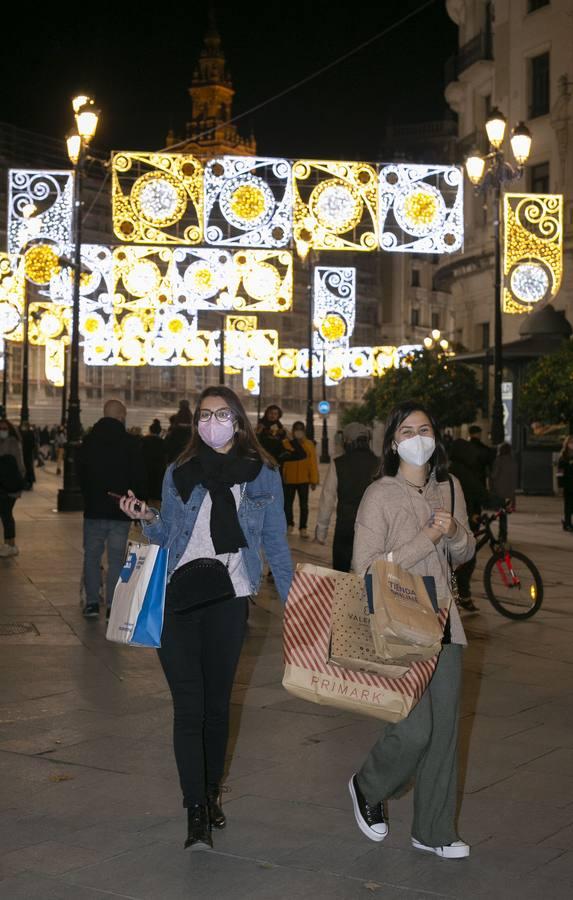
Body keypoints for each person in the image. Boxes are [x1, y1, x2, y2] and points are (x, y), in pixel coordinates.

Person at [120, 386, 293, 851]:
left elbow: (275, 541)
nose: (210, 421)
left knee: (217, 708)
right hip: (178, 598)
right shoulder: (180, 471)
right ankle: (195, 808)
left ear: (238, 421)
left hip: (229, 599)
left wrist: (296, 601)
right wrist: (146, 515)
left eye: (220, 414)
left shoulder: (263, 475)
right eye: (203, 414)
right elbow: (168, 534)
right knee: (188, 708)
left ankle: (212, 793)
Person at [349, 400, 475, 860]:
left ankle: (434, 831)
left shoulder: (451, 487)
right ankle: (368, 784)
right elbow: (365, 568)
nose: (418, 438)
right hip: (399, 622)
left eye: (425, 429)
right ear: (393, 441)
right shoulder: (380, 494)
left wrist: (456, 532)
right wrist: (428, 537)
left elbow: (463, 553)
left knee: (444, 733)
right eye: (407, 431)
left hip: (446, 624)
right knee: (415, 728)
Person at [77, 399, 147, 619]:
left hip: (94, 510)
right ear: (121, 417)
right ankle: (112, 606)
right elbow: (138, 477)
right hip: (121, 510)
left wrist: (89, 496)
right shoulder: (130, 443)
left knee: (92, 556)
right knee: (116, 558)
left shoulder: (88, 442)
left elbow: (80, 475)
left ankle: (91, 603)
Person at [315, 422, 379, 571]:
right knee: (371, 571)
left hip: (346, 524)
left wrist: (321, 530)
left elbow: (327, 498)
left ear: (347, 441)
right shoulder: (379, 463)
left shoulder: (339, 463)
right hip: (374, 525)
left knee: (342, 573)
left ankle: (345, 595)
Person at [282, 421, 319, 539]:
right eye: (296, 429)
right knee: (287, 504)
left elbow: (313, 463)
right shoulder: (286, 443)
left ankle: (303, 528)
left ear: (304, 431)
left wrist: (314, 480)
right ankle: (289, 524)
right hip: (289, 479)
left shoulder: (309, 444)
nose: (298, 431)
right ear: (292, 430)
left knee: (304, 505)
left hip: (304, 479)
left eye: (300, 429)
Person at [0, 418, 26, 558]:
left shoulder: (13, 443)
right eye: (0, 428)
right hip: (1, 485)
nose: (2, 431)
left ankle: (10, 545)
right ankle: (10, 544)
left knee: (6, 514)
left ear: (9, 429)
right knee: (6, 514)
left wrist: (18, 487)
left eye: (4, 429)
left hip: (10, 486)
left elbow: (20, 465)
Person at [142, 419, 167, 507]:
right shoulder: (162, 442)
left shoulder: (143, 440)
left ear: (150, 430)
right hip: (158, 472)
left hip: (145, 471)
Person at [467, 425, 496, 489]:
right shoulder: (484, 448)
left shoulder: (466, 447)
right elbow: (490, 462)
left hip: (468, 477)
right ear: (478, 434)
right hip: (480, 477)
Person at [557, 435, 573, 532]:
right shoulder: (563, 457)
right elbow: (559, 472)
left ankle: (567, 522)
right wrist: (560, 485)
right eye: (571, 443)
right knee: (568, 505)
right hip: (568, 484)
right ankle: (567, 523)